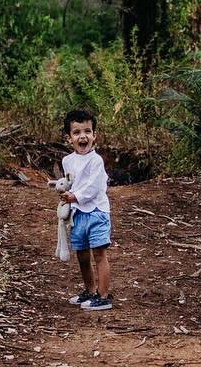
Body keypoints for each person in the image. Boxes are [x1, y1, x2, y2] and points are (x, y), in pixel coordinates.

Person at [59, 108, 114, 311]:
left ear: (94, 135)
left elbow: (95, 186)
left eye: (87, 131)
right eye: (77, 132)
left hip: (96, 212)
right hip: (78, 214)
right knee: (82, 254)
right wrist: (65, 195)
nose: (83, 136)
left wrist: (75, 196)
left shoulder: (96, 161)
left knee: (99, 253)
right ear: (69, 138)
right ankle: (90, 291)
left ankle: (103, 295)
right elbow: (70, 182)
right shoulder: (68, 161)